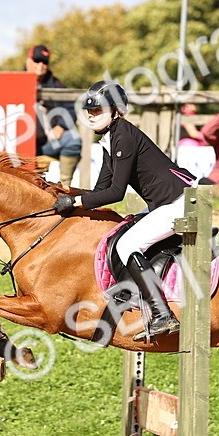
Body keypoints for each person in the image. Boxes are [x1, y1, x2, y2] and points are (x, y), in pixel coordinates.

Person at [53, 81, 195, 341]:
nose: (90, 115)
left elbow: (116, 194)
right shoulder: (110, 138)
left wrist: (73, 204)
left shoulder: (123, 136)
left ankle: (162, 315)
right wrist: (67, 196)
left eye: (97, 110)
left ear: (116, 110)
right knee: (124, 232)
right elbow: (99, 190)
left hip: (179, 202)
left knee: (128, 244)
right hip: (167, 201)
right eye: (89, 111)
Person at [28, 44, 82, 187]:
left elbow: (71, 108)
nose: (40, 65)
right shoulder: (14, 81)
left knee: (73, 141)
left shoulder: (57, 85)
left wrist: (61, 126)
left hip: (46, 143)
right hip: (19, 144)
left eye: (44, 62)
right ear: (28, 60)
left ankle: (64, 188)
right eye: (37, 60)